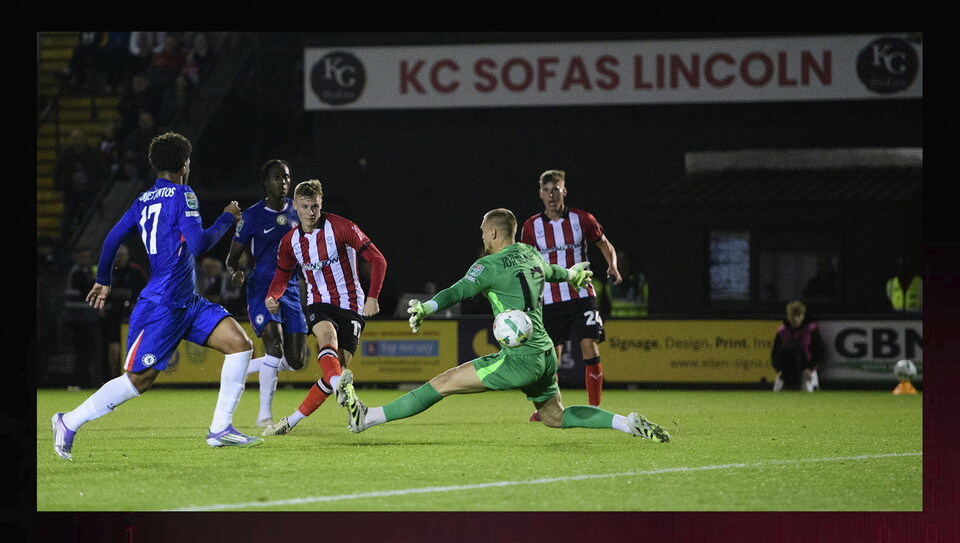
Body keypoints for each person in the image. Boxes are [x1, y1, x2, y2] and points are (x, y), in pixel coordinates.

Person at [334, 208, 670, 443]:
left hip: (518, 357)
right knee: (554, 415)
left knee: (444, 382)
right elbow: (554, 272)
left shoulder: (489, 264)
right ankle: (626, 423)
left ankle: (367, 417)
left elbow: (460, 289)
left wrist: (428, 306)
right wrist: (574, 274)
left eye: (483, 232)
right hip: (543, 353)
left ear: (493, 233)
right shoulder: (529, 253)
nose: (481, 237)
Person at [51, 131, 262, 461]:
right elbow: (199, 245)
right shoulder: (183, 194)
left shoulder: (142, 200)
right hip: (162, 306)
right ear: (184, 164)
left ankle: (220, 429)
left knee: (240, 345)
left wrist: (103, 279)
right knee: (138, 381)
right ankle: (69, 421)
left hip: (186, 302)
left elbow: (110, 241)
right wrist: (227, 217)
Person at [260, 178, 387, 437]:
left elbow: (378, 259)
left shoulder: (342, 227)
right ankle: (348, 397)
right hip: (319, 303)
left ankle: (290, 421)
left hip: (351, 304)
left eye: (315, 206)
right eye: (305, 206)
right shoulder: (289, 242)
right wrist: (273, 296)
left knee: (336, 373)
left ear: (321, 204)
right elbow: (282, 276)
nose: (310, 212)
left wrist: (372, 296)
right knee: (327, 339)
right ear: (294, 205)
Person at [520, 170, 621, 418]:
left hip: (581, 296)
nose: (552, 195)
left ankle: (595, 407)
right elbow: (526, 263)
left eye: (556, 189)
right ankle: (549, 409)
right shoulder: (531, 226)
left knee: (590, 347)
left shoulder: (582, 219)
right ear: (540, 194)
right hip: (549, 299)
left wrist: (612, 265)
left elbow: (604, 244)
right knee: (550, 360)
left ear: (564, 190)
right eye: (547, 190)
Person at [225, 159, 308, 427]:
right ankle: (264, 417)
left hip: (291, 289)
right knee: (274, 345)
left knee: (296, 361)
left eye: (286, 177)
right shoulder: (251, 216)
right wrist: (235, 272)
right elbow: (232, 258)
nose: (283, 183)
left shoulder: (299, 213)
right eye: (276, 178)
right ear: (265, 182)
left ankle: (247, 368)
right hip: (262, 288)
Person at [101, 243, 149, 380]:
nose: (119, 259)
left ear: (127, 256)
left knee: (133, 348)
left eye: (122, 256)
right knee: (113, 349)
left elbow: (149, 292)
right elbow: (99, 291)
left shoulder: (137, 272)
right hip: (113, 317)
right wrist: (102, 306)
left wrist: (139, 306)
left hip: (133, 318)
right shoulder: (108, 272)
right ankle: (113, 378)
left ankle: (132, 378)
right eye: (117, 256)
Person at [53, 129, 108, 247]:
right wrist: (59, 189)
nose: (76, 141)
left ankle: (87, 241)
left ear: (84, 139)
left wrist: (98, 186)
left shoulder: (92, 153)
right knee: (67, 216)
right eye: (74, 139)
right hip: (71, 191)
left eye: (78, 138)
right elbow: (57, 172)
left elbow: (101, 170)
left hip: (89, 190)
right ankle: (64, 243)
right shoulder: (66, 154)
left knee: (88, 216)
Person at [771, 300, 825, 392]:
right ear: (788, 316)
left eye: (798, 316)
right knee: (777, 391)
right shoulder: (782, 331)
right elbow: (775, 353)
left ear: (803, 316)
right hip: (786, 369)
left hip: (806, 369)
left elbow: (819, 351)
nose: (796, 319)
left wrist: (810, 368)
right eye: (793, 316)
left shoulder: (811, 329)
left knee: (807, 390)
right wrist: (779, 369)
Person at [595, 249, 649, 318]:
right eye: (619, 261)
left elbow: (645, 302)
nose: (621, 264)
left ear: (628, 261)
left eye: (624, 260)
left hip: (637, 321)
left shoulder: (639, 279)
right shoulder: (610, 281)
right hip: (617, 322)